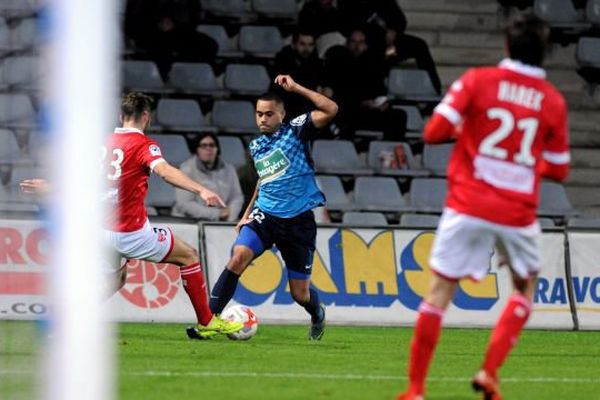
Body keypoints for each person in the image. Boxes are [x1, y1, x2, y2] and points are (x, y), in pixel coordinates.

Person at [397, 16, 570, 400]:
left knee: (439, 292)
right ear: (545, 52)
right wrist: (523, 162)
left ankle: (415, 390)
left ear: (506, 46)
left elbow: (432, 133)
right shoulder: (553, 101)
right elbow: (559, 168)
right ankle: (489, 372)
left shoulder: (477, 81)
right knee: (524, 289)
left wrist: (471, 132)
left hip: (468, 202)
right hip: (517, 212)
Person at [23, 93, 243, 339]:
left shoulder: (102, 143)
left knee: (115, 280)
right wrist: (201, 189)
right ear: (146, 117)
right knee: (189, 256)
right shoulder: (144, 145)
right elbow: (165, 171)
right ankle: (206, 322)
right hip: (131, 233)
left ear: (121, 116)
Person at [207, 75, 338, 341]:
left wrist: (298, 88)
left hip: (298, 222)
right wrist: (245, 215)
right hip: (265, 217)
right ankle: (207, 321)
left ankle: (317, 312)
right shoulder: (256, 146)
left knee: (300, 294)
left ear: (282, 114)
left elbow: (331, 109)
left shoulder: (296, 130)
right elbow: (263, 180)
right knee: (238, 257)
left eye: (269, 114)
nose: (262, 119)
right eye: (258, 114)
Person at [337, 0, 441, 94]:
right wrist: (360, 36)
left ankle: (435, 89)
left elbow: (401, 20)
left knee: (420, 45)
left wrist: (394, 30)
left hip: (389, 41)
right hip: (366, 43)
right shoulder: (348, 3)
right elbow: (344, 24)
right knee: (372, 58)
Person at [324, 28, 406, 144]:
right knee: (344, 113)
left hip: (371, 111)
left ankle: (390, 151)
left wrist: (381, 103)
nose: (357, 46)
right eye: (353, 42)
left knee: (399, 115)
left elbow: (380, 90)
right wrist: (362, 102)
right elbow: (340, 93)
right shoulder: (340, 64)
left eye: (361, 42)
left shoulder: (373, 65)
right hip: (352, 111)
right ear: (347, 44)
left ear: (366, 45)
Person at [172, 133, 243, 222]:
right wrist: (218, 214)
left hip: (223, 220)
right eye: (203, 145)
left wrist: (231, 216)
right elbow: (185, 204)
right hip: (190, 221)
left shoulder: (229, 169)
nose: (208, 149)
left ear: (217, 149)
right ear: (197, 150)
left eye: (212, 145)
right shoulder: (186, 169)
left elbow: (237, 197)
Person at [272, 29, 328, 119]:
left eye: (310, 45)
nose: (306, 49)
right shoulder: (283, 60)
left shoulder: (317, 63)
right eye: (302, 44)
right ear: (293, 45)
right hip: (287, 107)